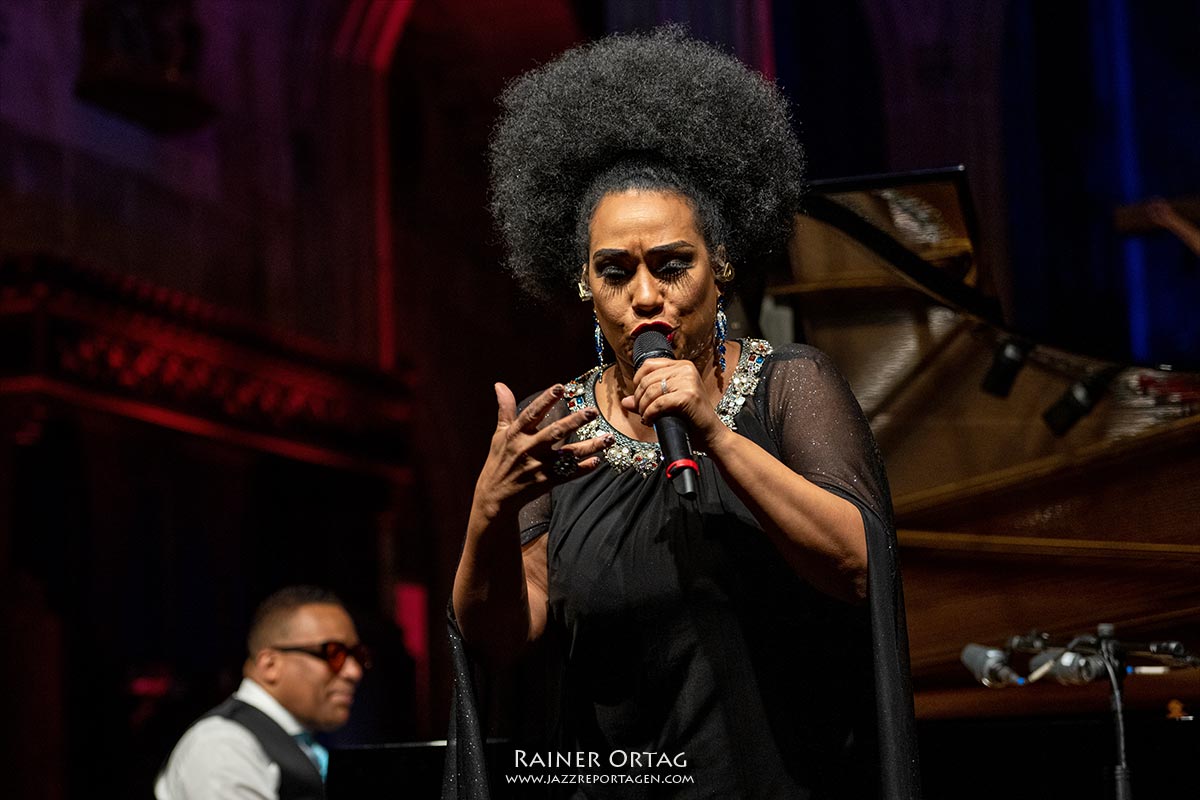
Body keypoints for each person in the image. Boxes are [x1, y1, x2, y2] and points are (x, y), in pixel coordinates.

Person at [448, 28, 921, 799]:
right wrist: (487, 513)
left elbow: (861, 571)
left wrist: (714, 432)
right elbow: (503, 640)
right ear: (584, 285)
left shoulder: (789, 387)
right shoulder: (556, 425)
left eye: (672, 265)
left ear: (720, 264)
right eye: (615, 272)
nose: (645, 296)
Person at [156, 585, 369, 800]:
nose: (354, 672)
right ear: (270, 665)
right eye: (334, 654)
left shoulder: (303, 744)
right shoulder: (222, 745)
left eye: (358, 656)